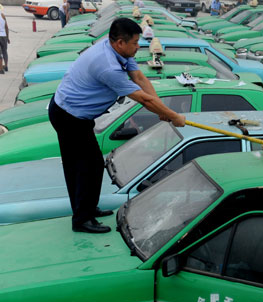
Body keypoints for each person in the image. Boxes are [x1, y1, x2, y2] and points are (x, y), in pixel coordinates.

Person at [48, 18, 186, 234]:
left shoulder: (119, 52)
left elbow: (140, 78)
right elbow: (142, 99)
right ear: (120, 42)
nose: (138, 46)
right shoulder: (108, 65)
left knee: (90, 165)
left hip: (77, 116)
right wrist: (172, 115)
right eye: (135, 43)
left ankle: (87, 209)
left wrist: (161, 109)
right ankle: (82, 219)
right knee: (84, 166)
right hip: (68, 116)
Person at [0, 5, 8, 74]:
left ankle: (1, 68)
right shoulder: (3, 15)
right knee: (4, 51)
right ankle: (6, 65)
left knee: (0, 53)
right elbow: (6, 27)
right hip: (4, 36)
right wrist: (8, 38)